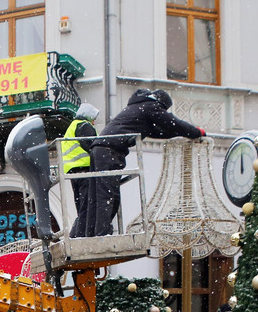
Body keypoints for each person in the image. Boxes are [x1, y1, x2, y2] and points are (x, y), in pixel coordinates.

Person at [82, 89, 205, 236]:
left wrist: (184, 133)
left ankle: (89, 234)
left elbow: (162, 131)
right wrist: (197, 132)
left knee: (96, 196)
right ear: (161, 104)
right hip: (110, 151)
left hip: (99, 149)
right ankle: (101, 235)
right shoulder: (150, 107)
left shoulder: (137, 109)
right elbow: (173, 123)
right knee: (108, 196)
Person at [63, 103, 100, 237]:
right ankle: (79, 235)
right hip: (84, 170)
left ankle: (77, 235)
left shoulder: (72, 127)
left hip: (73, 171)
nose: (94, 122)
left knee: (81, 206)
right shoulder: (84, 126)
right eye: (93, 118)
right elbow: (93, 146)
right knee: (87, 206)